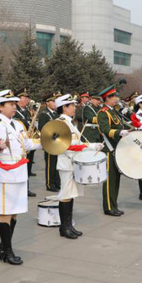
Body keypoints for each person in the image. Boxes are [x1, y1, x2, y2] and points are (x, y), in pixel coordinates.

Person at [0, 90, 40, 265]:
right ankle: (7, 251)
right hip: (5, 174)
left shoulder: (17, 124)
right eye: (10, 104)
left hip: (19, 172)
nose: (14, 106)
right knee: (5, 213)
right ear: (0, 106)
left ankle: (3, 246)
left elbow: (27, 144)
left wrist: (48, 141)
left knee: (14, 213)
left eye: (15, 103)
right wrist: (0, 146)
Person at [52, 94, 102, 238]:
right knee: (65, 195)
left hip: (73, 162)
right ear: (64, 107)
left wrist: (92, 146)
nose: (74, 108)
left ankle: (69, 225)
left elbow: (77, 143)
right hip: (67, 163)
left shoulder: (69, 122)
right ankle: (64, 228)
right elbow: (65, 146)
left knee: (71, 194)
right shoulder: (60, 122)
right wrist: (88, 147)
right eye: (72, 105)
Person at [96, 85, 130, 215]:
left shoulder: (114, 111)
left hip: (117, 148)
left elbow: (121, 124)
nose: (117, 99)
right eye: (114, 97)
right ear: (108, 98)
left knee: (116, 179)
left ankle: (114, 205)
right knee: (110, 179)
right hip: (109, 149)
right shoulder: (103, 113)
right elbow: (104, 129)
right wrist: (120, 132)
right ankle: (109, 207)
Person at [38, 94, 61, 192]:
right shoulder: (44, 114)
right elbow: (42, 128)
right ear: (47, 103)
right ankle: (50, 184)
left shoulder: (56, 114)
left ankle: (56, 182)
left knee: (57, 164)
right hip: (49, 142)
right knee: (50, 165)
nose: (55, 103)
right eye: (53, 101)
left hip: (57, 142)